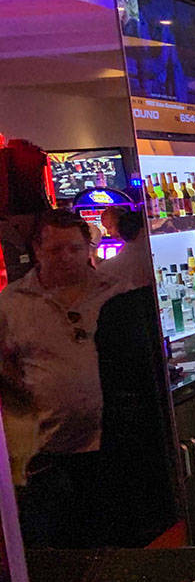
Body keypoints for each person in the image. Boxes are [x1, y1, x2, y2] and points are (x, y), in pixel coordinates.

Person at [0, 208, 150, 547]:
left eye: (75, 249)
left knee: (119, 544)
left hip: (116, 446)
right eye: (55, 249)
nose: (66, 257)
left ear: (88, 249)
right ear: (37, 250)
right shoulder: (11, 305)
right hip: (48, 457)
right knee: (63, 551)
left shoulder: (118, 292)